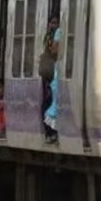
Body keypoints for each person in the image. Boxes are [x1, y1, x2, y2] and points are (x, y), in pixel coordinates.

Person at [41, 14, 62, 144]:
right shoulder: (50, 36)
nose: (54, 26)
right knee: (50, 100)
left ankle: (53, 132)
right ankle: (50, 132)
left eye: (56, 23)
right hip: (50, 73)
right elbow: (53, 51)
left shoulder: (55, 34)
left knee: (52, 101)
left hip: (53, 72)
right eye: (52, 23)